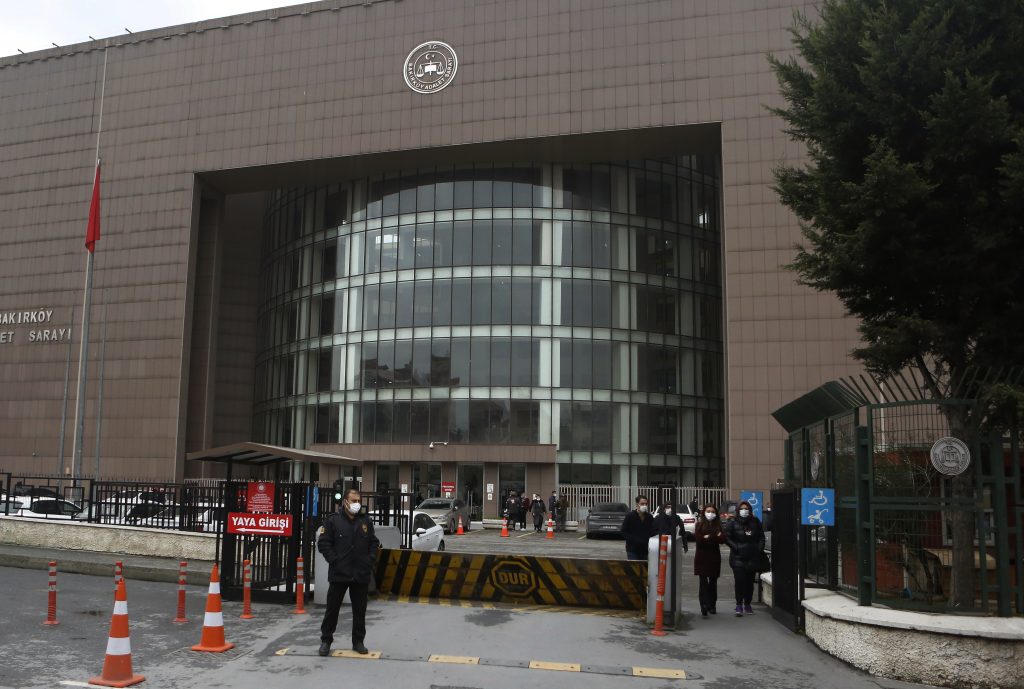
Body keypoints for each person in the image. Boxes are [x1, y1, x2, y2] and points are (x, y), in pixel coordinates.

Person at [317, 488, 380, 656]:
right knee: (332, 609)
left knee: (360, 610)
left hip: (360, 573)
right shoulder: (333, 521)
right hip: (340, 573)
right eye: (353, 501)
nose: (356, 504)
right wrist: (334, 561)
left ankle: (358, 641)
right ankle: (326, 641)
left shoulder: (365, 520)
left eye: (358, 501)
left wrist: (370, 559)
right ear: (345, 502)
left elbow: (374, 542)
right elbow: (323, 543)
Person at [724, 499, 766, 616]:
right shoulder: (733, 522)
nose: (744, 511)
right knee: (740, 581)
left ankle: (747, 604)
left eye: (746, 509)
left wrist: (758, 549)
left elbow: (761, 537)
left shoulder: (755, 521)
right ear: (738, 510)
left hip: (752, 557)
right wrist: (736, 547)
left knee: (749, 582)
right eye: (742, 509)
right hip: (737, 558)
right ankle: (738, 604)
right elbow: (727, 537)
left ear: (750, 510)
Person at [694, 503, 726, 617]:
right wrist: (713, 537)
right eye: (708, 511)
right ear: (704, 513)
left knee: (713, 583)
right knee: (703, 583)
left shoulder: (718, 525)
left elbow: (722, 539)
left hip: (714, 558)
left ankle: (712, 605)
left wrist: (709, 537)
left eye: (712, 511)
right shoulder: (699, 525)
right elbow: (699, 539)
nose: (710, 514)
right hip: (702, 557)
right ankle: (703, 605)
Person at [620, 495, 655, 560]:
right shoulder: (630, 516)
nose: (644, 505)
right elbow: (624, 531)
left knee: (644, 569)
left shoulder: (649, 517)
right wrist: (633, 540)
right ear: (637, 504)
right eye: (642, 504)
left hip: (645, 549)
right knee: (634, 568)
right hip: (632, 550)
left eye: (646, 504)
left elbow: (653, 531)